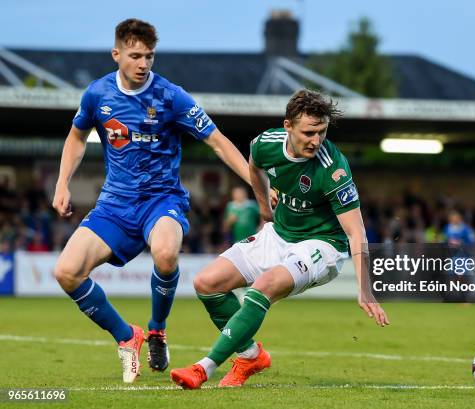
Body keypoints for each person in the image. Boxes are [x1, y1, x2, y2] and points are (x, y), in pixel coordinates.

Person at [52, 18, 251, 383]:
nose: (143, 64)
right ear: (116, 55)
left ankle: (157, 329)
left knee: (165, 252)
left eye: (149, 56)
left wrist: (254, 180)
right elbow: (76, 138)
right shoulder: (97, 95)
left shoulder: (171, 96)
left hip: (162, 200)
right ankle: (128, 336)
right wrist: (63, 183)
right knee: (65, 272)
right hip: (114, 205)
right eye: (135, 56)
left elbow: (217, 140)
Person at [170, 89, 389, 389]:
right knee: (206, 284)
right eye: (309, 132)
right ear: (288, 126)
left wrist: (365, 289)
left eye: (322, 132)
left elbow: (356, 231)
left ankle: (204, 368)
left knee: (263, 287)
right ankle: (250, 356)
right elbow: (254, 163)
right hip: (279, 233)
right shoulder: (266, 144)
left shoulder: (333, 168)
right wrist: (264, 208)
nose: (316, 140)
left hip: (322, 245)